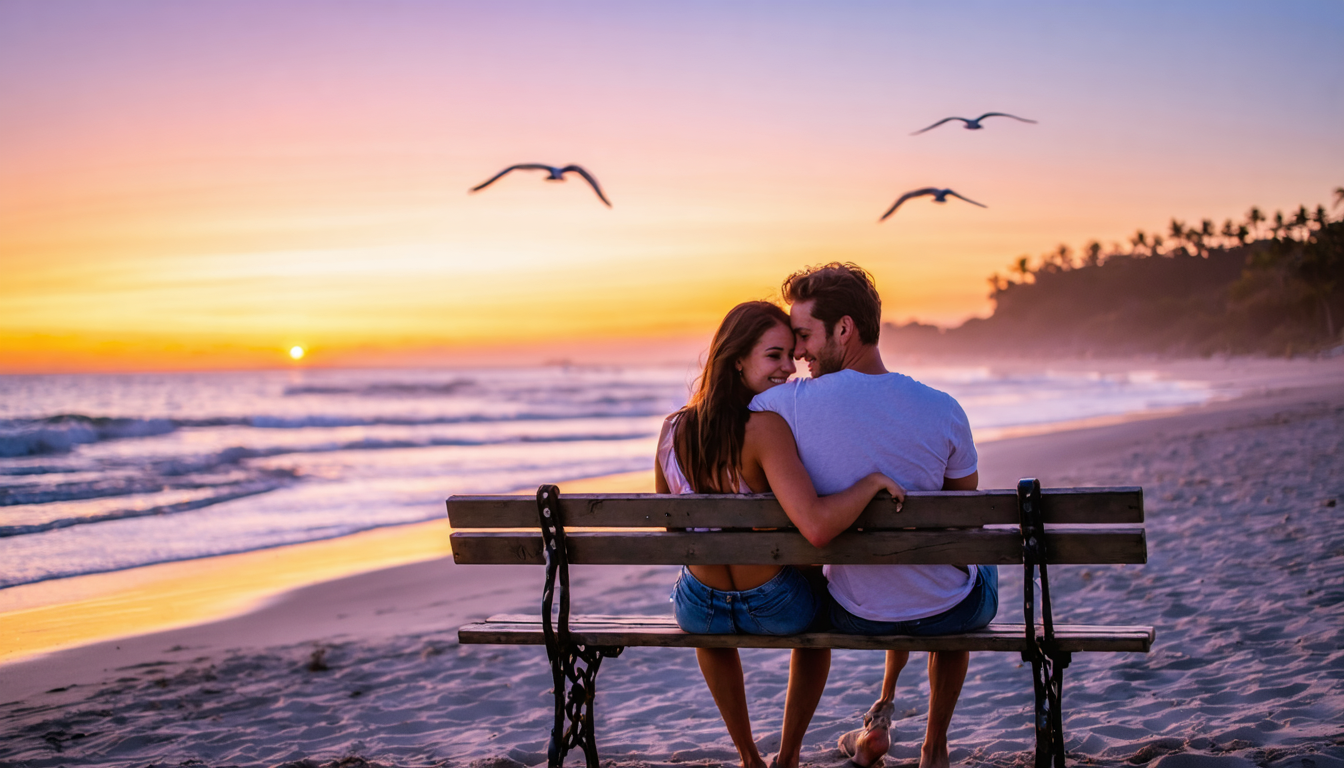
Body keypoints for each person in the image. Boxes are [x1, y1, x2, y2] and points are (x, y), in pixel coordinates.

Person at [749, 263, 998, 768]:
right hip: (949, 610)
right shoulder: (943, 407)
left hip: (853, 609)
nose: (797, 353)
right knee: (966, 563)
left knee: (889, 574)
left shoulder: (782, 405)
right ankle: (934, 746)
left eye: (803, 336)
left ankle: (800, 749)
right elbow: (961, 509)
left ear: (844, 328)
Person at [655, 300, 905, 768]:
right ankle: (787, 755)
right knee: (822, 605)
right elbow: (816, 523)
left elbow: (674, 529)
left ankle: (749, 757)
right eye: (775, 356)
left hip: (698, 607)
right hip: (774, 605)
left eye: (791, 354)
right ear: (737, 359)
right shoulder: (765, 428)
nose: (789, 368)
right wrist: (869, 482)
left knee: (710, 625)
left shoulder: (671, 431)